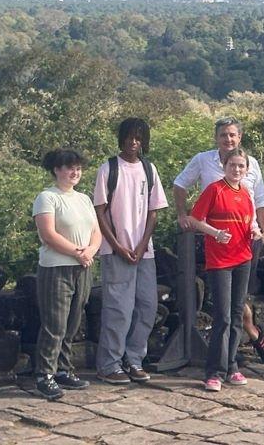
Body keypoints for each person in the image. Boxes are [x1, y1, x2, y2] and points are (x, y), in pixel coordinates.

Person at [173, 116, 264, 363]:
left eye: (233, 135)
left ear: (240, 137)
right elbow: (180, 184)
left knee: (240, 296)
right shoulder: (203, 161)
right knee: (225, 301)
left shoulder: (251, 163)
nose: (228, 139)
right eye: (224, 135)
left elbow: (259, 199)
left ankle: (233, 353)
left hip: (248, 238)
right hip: (218, 239)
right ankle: (246, 337)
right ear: (216, 138)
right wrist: (183, 214)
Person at [93, 118, 168, 384]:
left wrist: (141, 244)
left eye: (139, 137)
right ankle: (109, 363)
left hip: (143, 251)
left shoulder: (149, 169)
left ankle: (133, 358)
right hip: (116, 252)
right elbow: (99, 211)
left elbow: (153, 212)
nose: (133, 142)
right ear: (121, 138)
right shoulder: (109, 169)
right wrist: (117, 245)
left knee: (147, 306)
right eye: (129, 136)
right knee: (118, 309)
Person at [32, 149, 101, 401]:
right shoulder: (47, 198)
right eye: (69, 167)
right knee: (55, 323)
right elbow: (48, 234)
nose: (75, 172)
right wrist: (77, 252)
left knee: (73, 321)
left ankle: (63, 368)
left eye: (78, 168)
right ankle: (44, 374)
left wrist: (90, 251)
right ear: (56, 170)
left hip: (82, 266)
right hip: (56, 267)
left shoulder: (83, 198)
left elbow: (96, 231)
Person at [189, 147, 259, 391]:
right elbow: (195, 219)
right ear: (224, 166)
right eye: (233, 165)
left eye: (241, 166)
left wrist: (255, 231)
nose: (236, 169)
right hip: (220, 261)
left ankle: (232, 366)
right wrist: (215, 233)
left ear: (247, 169)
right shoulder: (214, 190)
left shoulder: (246, 193)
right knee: (223, 316)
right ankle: (214, 371)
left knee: (238, 313)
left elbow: (249, 221)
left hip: (243, 258)